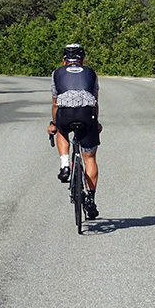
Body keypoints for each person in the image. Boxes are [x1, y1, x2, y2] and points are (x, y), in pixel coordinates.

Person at [47, 44, 101, 219]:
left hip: (66, 114)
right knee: (90, 157)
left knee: (61, 130)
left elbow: (56, 103)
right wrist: (96, 122)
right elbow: (95, 101)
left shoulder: (57, 73)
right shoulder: (91, 73)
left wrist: (54, 124)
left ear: (64, 61)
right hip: (87, 114)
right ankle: (91, 199)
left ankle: (65, 165)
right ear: (82, 60)